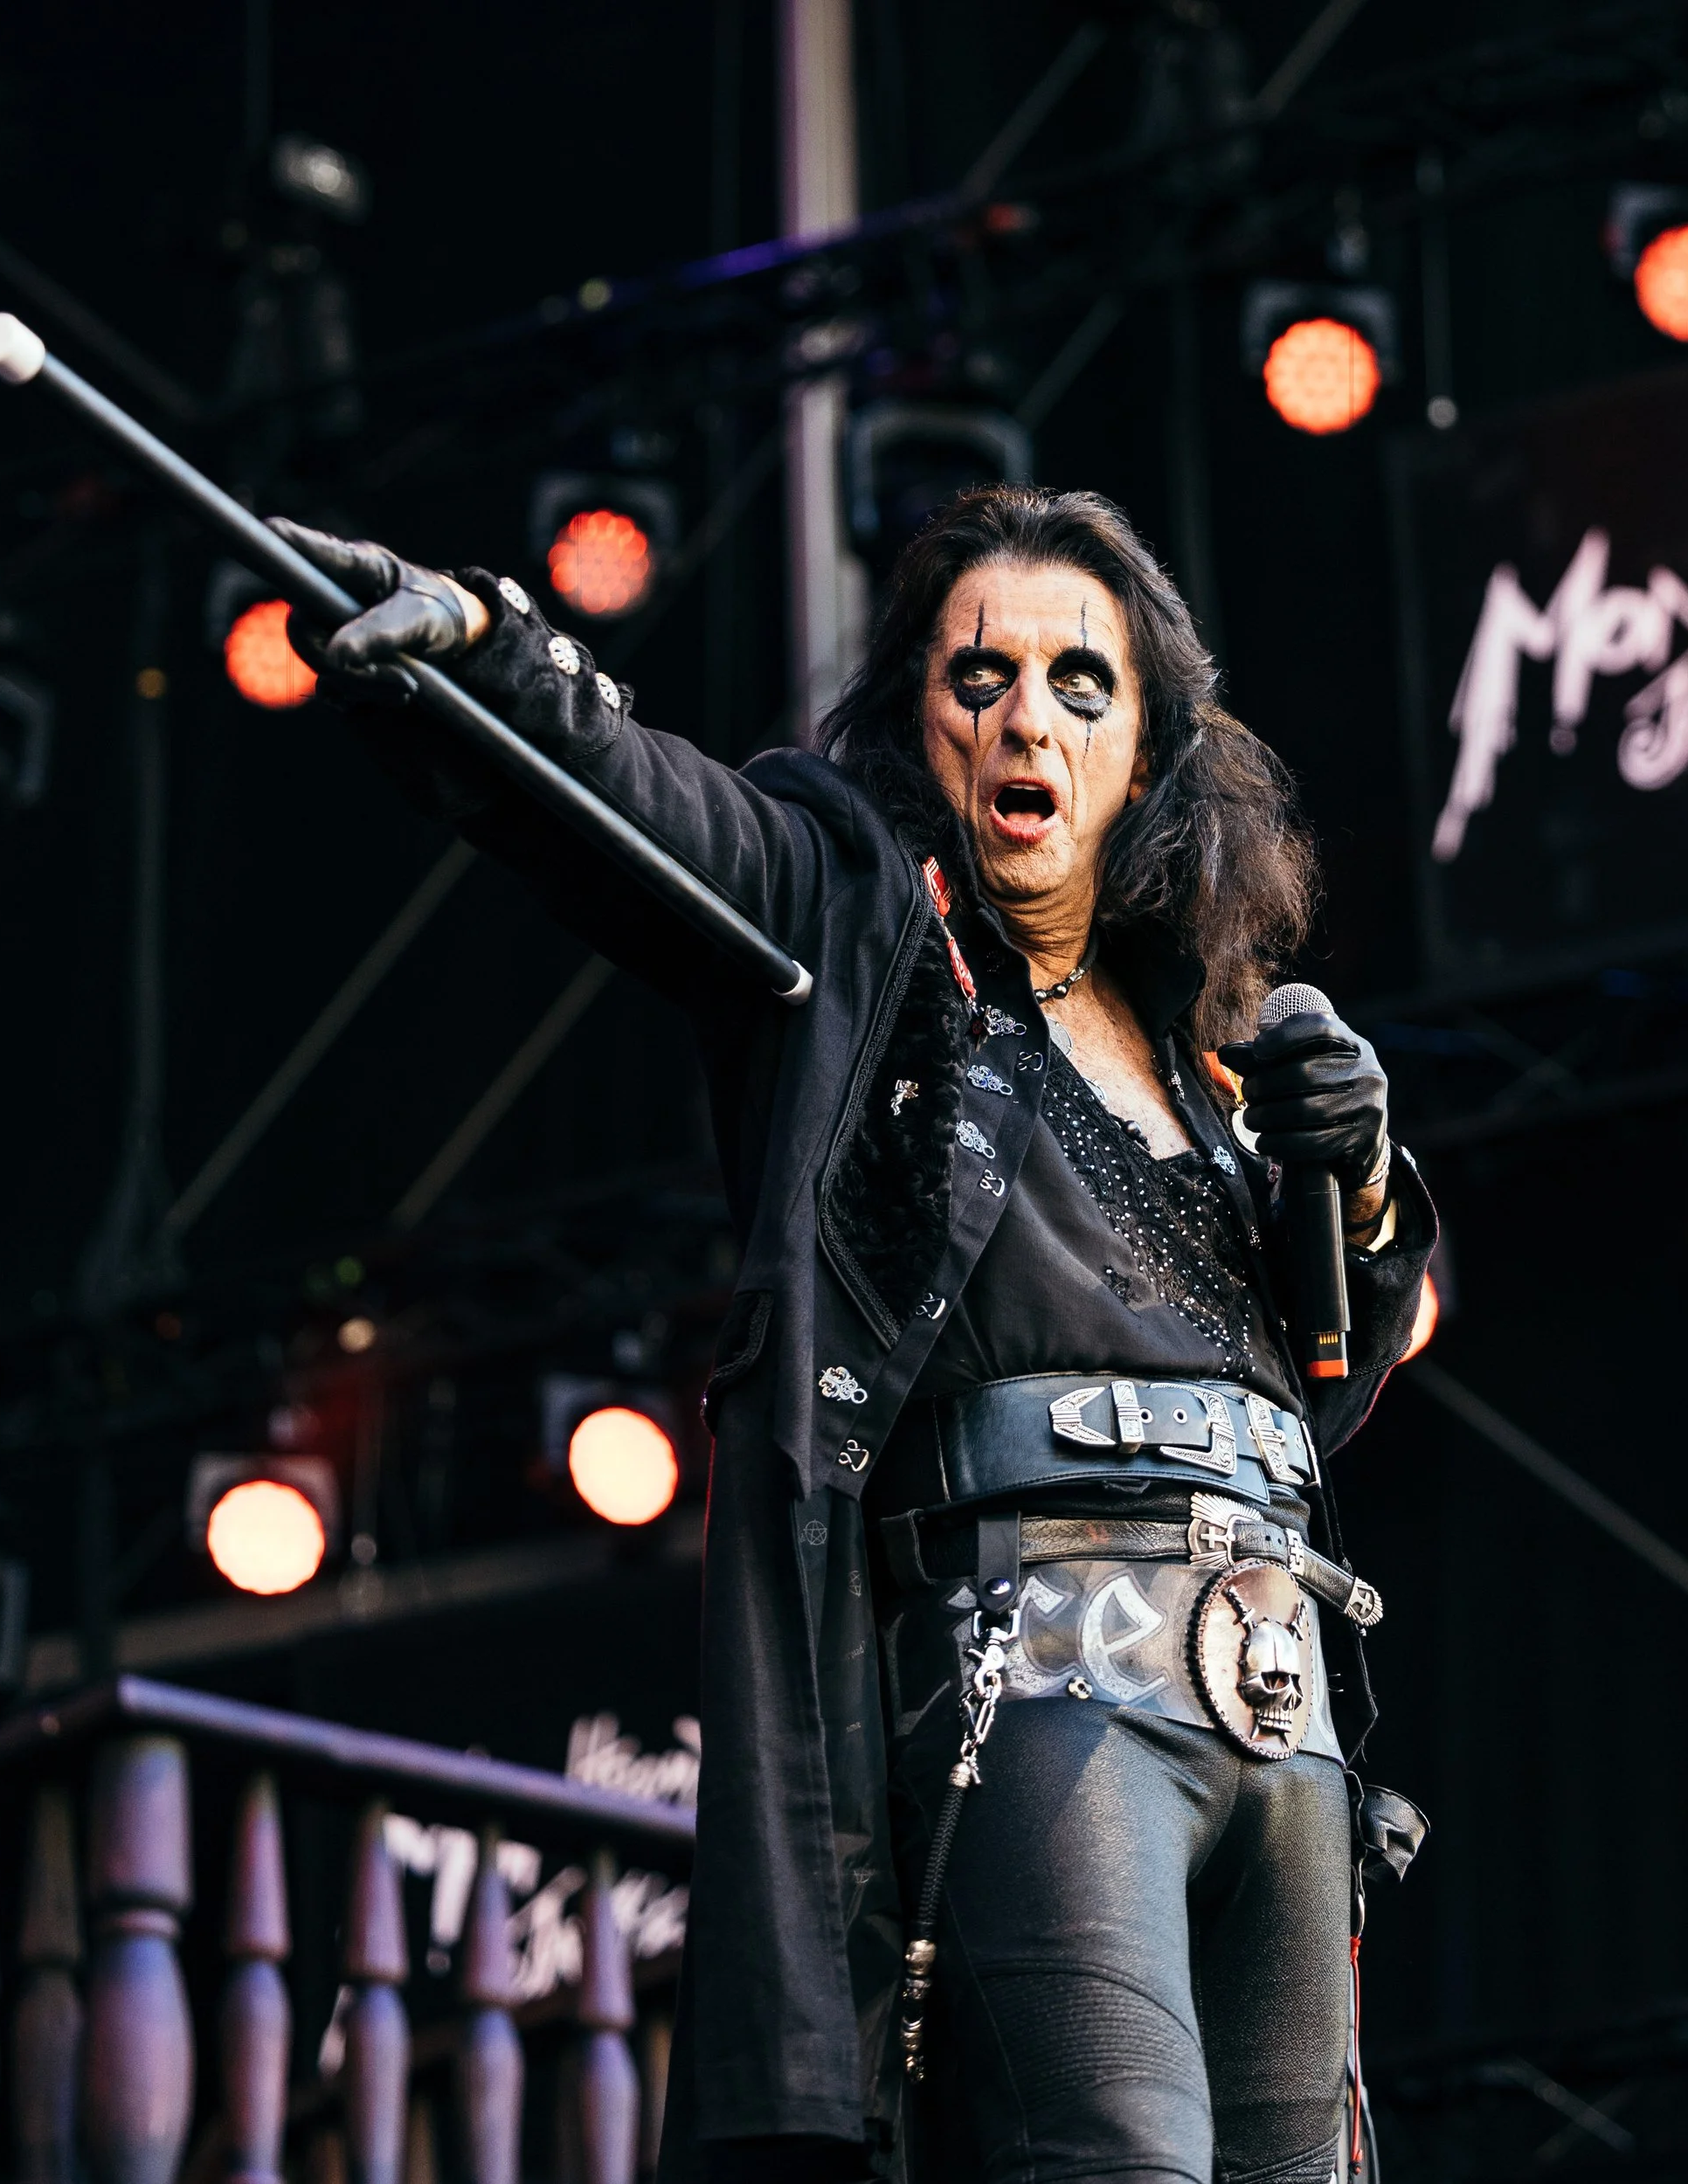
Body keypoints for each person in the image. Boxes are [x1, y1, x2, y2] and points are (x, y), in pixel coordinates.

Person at [274, 486, 1435, 2184]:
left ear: (1145, 758)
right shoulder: (865, 931)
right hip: (1041, 1678)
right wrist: (489, 654)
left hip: (1284, 1702)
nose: (1023, 714)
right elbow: (659, 820)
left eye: (1077, 684)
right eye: (978, 678)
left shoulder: (1208, 1056)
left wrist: (1370, 1178)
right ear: (917, 720)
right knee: (1111, 2156)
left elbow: (1351, 1352)